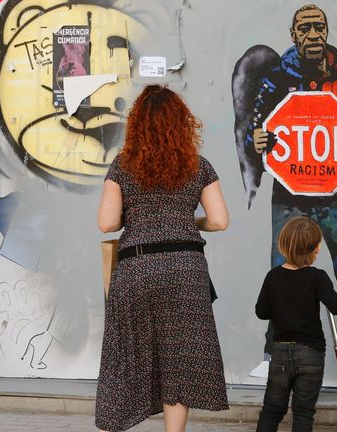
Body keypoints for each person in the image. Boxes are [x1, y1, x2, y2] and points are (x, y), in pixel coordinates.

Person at [239, 3, 337, 383]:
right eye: (304, 28)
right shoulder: (274, 79)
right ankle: (273, 351)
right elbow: (254, 130)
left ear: (327, 31)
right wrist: (255, 138)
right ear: (293, 35)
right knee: (281, 273)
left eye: (318, 27)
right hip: (289, 197)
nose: (313, 35)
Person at [95, 84, 230, 432]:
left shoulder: (123, 166)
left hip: (137, 267)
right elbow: (219, 220)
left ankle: (119, 420)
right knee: (179, 360)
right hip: (185, 268)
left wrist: (136, 216)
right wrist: (187, 221)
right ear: (182, 123)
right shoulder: (198, 165)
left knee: (128, 354)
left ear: (137, 123)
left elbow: (107, 222)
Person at [255, 216, 337, 432]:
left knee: (272, 409)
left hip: (280, 354)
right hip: (310, 354)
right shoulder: (318, 277)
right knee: (303, 412)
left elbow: (262, 312)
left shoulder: (273, 276)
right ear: (316, 249)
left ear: (283, 245)